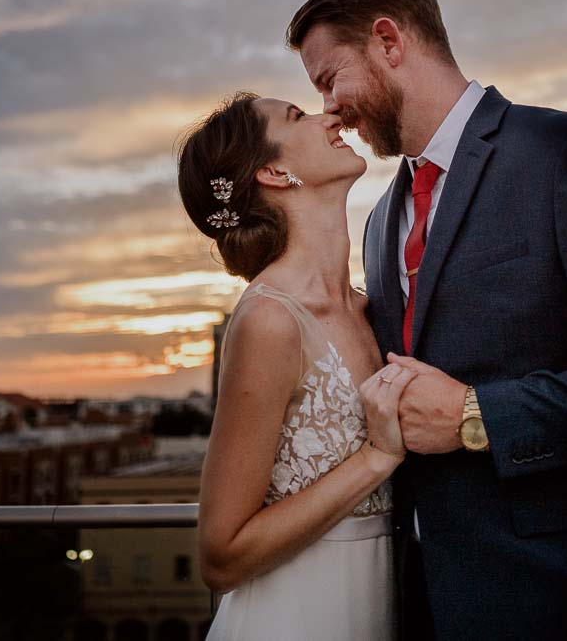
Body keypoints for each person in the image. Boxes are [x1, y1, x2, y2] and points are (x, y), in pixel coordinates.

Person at [285, 0, 567, 639]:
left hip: (565, 604)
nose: (329, 109)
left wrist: (476, 415)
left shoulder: (563, 152)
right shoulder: (378, 222)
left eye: (329, 79)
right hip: (419, 608)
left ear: (388, 41)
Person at [178, 91, 422, 639]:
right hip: (297, 616)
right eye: (297, 116)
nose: (330, 114)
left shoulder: (373, 307)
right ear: (273, 171)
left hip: (385, 604)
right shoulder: (270, 321)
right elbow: (222, 555)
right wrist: (376, 458)